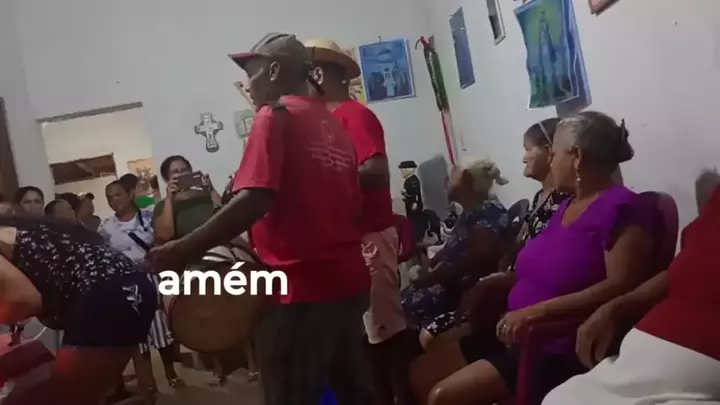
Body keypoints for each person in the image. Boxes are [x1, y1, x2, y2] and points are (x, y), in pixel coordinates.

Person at [148, 32, 373, 405]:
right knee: (348, 390)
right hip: (349, 283)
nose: (247, 85)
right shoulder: (334, 125)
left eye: (250, 74)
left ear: (273, 70)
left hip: (299, 291)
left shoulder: (274, 116)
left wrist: (182, 249)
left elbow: (254, 199)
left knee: (292, 395)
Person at [410, 112, 655, 405]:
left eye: (555, 154)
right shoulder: (566, 206)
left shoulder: (622, 207)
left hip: (553, 342)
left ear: (577, 157)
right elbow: (539, 269)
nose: (551, 161)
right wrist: (494, 283)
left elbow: (621, 285)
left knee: (441, 396)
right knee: (420, 373)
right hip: (514, 329)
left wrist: (534, 313)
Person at [306, 37, 420, 405]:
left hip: (369, 237)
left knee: (383, 334)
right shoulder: (323, 121)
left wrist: (320, 177)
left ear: (317, 74)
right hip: (349, 240)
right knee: (365, 336)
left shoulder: (354, 115)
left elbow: (375, 170)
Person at [542, 172, 720, 405]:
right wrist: (616, 307)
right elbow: (680, 269)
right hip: (638, 358)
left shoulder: (621, 208)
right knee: (560, 399)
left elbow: (619, 281)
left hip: (693, 376)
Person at [0, 217, 155, 405]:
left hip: (103, 293)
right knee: (85, 396)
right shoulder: (20, 230)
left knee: (61, 398)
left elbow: (26, 300)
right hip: (134, 286)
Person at [402, 158, 509, 349]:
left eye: (452, 176)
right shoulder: (470, 212)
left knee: (403, 309)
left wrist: (433, 276)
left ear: (466, 181)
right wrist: (430, 265)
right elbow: (452, 247)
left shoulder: (486, 212)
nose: (446, 182)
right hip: (446, 284)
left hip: (460, 293)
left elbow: (476, 261)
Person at [98, 180, 185, 399]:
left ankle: (170, 371)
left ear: (130, 194)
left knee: (160, 327)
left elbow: (163, 241)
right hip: (127, 285)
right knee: (138, 335)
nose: (113, 201)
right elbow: (103, 256)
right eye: (109, 197)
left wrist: (153, 261)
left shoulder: (149, 216)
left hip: (153, 279)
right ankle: (148, 381)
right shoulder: (106, 227)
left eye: (117, 195)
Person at [152, 156, 221, 245]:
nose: (181, 174)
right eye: (175, 172)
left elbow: (226, 214)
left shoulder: (204, 196)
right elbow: (165, 235)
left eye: (185, 170)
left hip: (217, 246)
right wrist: (169, 198)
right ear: (167, 178)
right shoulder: (162, 206)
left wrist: (211, 189)